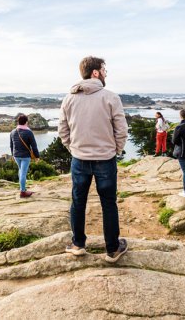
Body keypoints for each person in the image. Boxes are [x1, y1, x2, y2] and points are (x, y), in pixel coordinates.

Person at [59, 56, 129, 263]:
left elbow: (63, 130)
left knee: (78, 202)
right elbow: (121, 129)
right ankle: (113, 249)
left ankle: (78, 244)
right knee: (108, 203)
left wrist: (73, 148)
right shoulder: (110, 97)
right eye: (104, 69)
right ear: (95, 73)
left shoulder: (69, 98)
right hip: (105, 159)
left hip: (79, 159)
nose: (106, 73)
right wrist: (115, 150)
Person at [10, 114, 40, 198]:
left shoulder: (13, 132)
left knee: (20, 171)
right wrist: (37, 156)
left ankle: (22, 188)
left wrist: (12, 154)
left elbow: (11, 145)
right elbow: (34, 146)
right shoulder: (29, 132)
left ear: (18, 122)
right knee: (23, 173)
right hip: (25, 156)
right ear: (26, 122)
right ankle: (22, 192)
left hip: (16, 155)